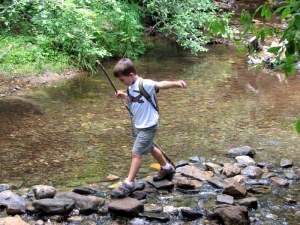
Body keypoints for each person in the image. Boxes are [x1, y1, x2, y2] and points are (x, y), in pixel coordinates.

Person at [110, 58, 187, 198]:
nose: (122, 82)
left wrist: (176, 83)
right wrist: (125, 96)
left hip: (149, 126)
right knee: (150, 147)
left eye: (122, 80)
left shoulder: (145, 83)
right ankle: (167, 168)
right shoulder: (131, 86)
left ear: (131, 75)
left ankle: (129, 182)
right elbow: (136, 98)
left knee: (136, 152)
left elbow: (161, 84)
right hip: (142, 125)